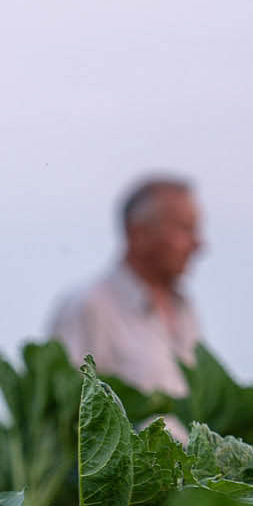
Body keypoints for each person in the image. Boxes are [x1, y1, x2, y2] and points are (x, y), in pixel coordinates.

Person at [49, 175, 205, 410]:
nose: (198, 244)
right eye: (185, 229)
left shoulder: (185, 309)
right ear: (139, 234)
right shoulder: (90, 307)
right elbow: (67, 411)